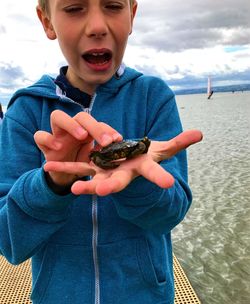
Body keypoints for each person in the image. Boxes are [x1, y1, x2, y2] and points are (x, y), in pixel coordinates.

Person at [0, 1, 203, 304]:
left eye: (112, 5)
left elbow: (169, 216)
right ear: (47, 22)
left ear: (132, 15)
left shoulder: (153, 98)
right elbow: (10, 243)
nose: (97, 26)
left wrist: (138, 183)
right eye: (74, 8)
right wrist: (51, 184)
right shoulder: (26, 111)